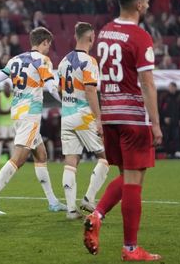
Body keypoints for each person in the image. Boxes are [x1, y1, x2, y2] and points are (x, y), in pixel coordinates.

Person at [82, 0, 163, 261]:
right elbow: (147, 83)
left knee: (127, 177)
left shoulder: (104, 32)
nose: (149, 5)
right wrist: (155, 122)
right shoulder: (140, 37)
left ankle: (97, 214)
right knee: (134, 182)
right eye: (147, 1)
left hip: (110, 114)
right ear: (139, 4)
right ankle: (130, 248)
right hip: (133, 117)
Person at [0, 27, 67, 215]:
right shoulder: (43, 60)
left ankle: (53, 202)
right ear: (45, 42)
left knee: (41, 155)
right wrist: (68, 102)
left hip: (17, 113)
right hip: (30, 114)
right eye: (49, 44)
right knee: (18, 159)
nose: (49, 48)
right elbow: (52, 88)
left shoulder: (15, 59)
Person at [57, 22, 110, 220]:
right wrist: (98, 118)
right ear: (91, 38)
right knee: (106, 156)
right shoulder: (89, 61)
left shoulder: (63, 61)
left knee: (71, 161)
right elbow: (90, 90)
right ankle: (89, 198)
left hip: (67, 115)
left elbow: (58, 89)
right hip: (83, 114)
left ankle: (71, 210)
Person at [0, 82, 14, 162]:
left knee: (11, 140)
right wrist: (7, 112)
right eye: (5, 87)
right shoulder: (0, 95)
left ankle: (13, 159)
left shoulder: (13, 96)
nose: (7, 88)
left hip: (11, 122)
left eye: (8, 87)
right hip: (1, 122)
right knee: (0, 140)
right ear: (3, 88)